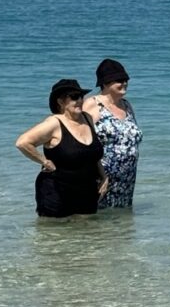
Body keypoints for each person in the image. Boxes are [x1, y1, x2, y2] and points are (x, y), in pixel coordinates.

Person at [16, 79, 108, 217]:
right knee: (56, 236)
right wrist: (44, 161)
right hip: (56, 192)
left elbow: (92, 155)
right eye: (74, 97)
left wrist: (104, 177)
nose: (80, 100)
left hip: (86, 191)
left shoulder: (87, 118)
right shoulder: (54, 123)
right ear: (60, 102)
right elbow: (22, 143)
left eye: (81, 96)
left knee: (89, 235)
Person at [83, 59, 143, 209]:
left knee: (121, 222)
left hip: (127, 178)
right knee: (97, 219)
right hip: (102, 176)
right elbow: (76, 136)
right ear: (105, 83)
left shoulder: (127, 105)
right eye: (119, 80)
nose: (124, 83)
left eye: (126, 80)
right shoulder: (92, 104)